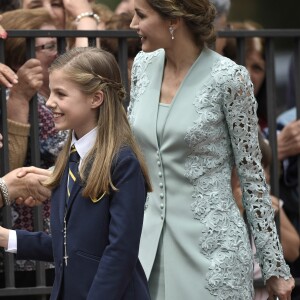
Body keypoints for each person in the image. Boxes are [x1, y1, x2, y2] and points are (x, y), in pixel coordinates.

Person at [128, 0, 295, 299]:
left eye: (140, 15)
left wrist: (274, 268)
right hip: (147, 250)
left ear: (174, 20)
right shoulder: (142, 66)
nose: (132, 25)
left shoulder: (229, 79)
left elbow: (253, 179)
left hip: (214, 255)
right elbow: (130, 150)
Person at [0, 46, 151, 300]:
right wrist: (8, 238)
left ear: (96, 98)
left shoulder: (122, 162)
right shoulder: (70, 158)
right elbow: (72, 246)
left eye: (61, 94)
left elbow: (120, 253)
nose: (49, 102)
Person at [231, 131, 300, 300]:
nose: (265, 176)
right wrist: (239, 210)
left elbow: (294, 251)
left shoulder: (267, 199)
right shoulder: (215, 206)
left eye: (265, 168)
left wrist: (267, 218)